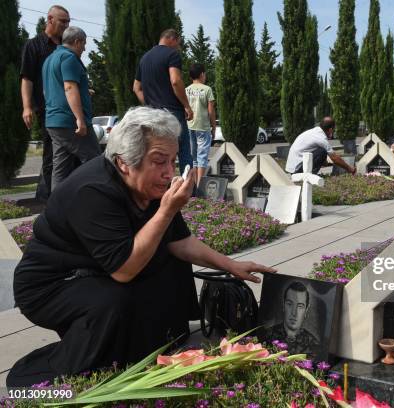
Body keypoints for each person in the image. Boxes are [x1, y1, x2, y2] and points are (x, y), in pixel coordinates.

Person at [7, 107, 275, 387]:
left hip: (97, 268)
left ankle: (160, 339)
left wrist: (232, 265)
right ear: (124, 163)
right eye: (159, 161)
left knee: (169, 259)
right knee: (113, 301)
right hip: (51, 284)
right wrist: (166, 211)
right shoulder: (93, 190)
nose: (169, 172)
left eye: (172, 161)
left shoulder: (149, 187)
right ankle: (75, 366)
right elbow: (124, 270)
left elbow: (180, 243)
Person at [20, 5, 71, 201]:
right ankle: (46, 198)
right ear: (50, 20)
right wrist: (27, 106)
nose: (66, 25)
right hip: (47, 109)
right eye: (63, 21)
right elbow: (27, 78)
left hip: (69, 109)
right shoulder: (34, 45)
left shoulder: (65, 45)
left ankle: (59, 195)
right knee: (52, 154)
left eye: (68, 21)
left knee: (65, 155)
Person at [42, 26, 100, 191]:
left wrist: (84, 91)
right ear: (77, 41)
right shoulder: (69, 58)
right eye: (84, 44)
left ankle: (56, 210)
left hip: (54, 121)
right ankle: (95, 202)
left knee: (61, 168)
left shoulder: (50, 59)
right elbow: (69, 87)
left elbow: (51, 89)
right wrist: (80, 119)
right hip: (70, 122)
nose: (84, 48)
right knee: (95, 162)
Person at [133, 29, 193, 175]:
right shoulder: (172, 54)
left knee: (157, 151)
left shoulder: (145, 58)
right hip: (173, 112)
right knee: (183, 151)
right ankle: (189, 192)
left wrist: (149, 106)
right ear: (172, 39)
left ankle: (158, 187)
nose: (178, 47)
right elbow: (175, 81)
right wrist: (187, 106)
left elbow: (136, 88)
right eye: (178, 43)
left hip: (153, 114)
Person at [285, 117, 356, 175]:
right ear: (331, 130)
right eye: (333, 130)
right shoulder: (321, 138)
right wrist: (350, 169)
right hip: (297, 170)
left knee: (321, 150)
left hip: (292, 168)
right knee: (323, 151)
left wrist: (324, 162)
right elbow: (335, 158)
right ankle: (310, 176)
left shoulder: (314, 131)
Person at [267, 281, 319, 355]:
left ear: (306, 310)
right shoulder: (267, 335)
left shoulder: (314, 344)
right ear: (283, 305)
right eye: (289, 304)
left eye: (300, 306)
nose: (294, 313)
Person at [186, 63, 216, 185]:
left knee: (194, 158)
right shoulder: (207, 89)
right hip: (203, 127)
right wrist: (213, 126)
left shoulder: (186, 90)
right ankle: (199, 186)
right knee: (202, 156)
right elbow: (210, 111)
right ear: (202, 74)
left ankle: (193, 185)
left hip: (189, 126)